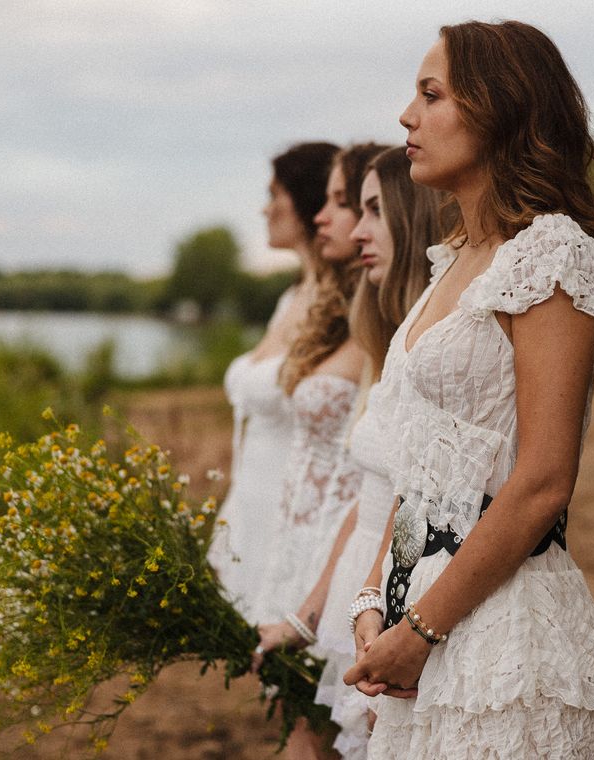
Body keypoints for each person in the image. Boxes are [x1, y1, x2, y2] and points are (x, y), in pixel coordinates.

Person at [343, 21, 594, 759]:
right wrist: (373, 597)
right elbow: (419, 460)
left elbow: (543, 481)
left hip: (499, 624)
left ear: (499, 107)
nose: (406, 117)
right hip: (414, 613)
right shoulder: (454, 261)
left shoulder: (550, 253)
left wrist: (421, 632)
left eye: (431, 94)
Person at [256, 146, 449, 759]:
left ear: (409, 217)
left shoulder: (433, 342)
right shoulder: (382, 330)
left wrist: (388, 613)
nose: (353, 226)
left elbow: (410, 498)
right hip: (358, 580)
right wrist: (318, 609)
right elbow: (371, 498)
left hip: (404, 579)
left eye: (368, 209)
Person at [251, 143, 385, 759]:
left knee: (319, 740)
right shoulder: (341, 310)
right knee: (300, 730)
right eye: (328, 201)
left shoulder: (383, 315)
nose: (326, 218)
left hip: (347, 543)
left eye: (344, 202)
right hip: (303, 539)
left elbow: (377, 468)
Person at [209, 141, 338, 624]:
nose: (265, 208)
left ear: (306, 199)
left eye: (275, 194)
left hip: (298, 513)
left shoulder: (337, 305)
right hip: (253, 502)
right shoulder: (291, 299)